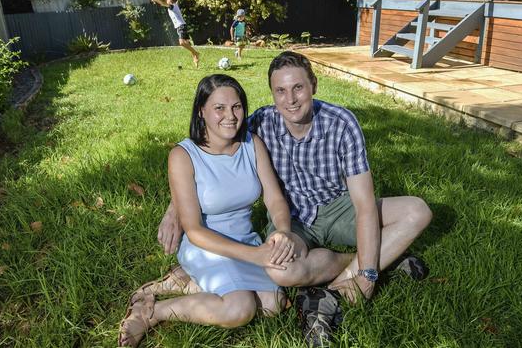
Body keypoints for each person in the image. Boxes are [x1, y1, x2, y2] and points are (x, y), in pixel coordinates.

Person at [156, 51, 432, 345]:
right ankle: (381, 256)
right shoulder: (259, 123)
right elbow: (211, 150)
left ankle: (346, 282)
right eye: (280, 91)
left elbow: (364, 205)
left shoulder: (342, 123)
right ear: (272, 94)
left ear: (313, 84)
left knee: (417, 211)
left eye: (298, 87)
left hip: (339, 207)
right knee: (282, 273)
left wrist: (367, 277)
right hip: (295, 216)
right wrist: (175, 209)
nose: (290, 99)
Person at [118, 74, 296, 347]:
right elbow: (194, 229)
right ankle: (151, 312)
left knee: (273, 304)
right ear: (201, 110)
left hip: (245, 240)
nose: (230, 116)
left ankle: (191, 283)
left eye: (237, 107)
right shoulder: (183, 155)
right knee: (240, 309)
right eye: (219, 108)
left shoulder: (252, 144)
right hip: (204, 245)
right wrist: (256, 256)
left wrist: (282, 231)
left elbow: (274, 199)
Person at [151, 0, 200, 68]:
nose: (166, 1)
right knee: (187, 44)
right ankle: (195, 56)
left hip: (181, 26)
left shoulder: (172, 6)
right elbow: (175, 0)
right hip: (182, 26)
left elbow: (163, 4)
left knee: (182, 43)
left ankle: (195, 53)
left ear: (170, 0)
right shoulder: (175, 5)